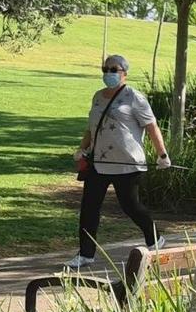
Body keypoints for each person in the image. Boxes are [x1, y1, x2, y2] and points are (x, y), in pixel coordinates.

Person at [68, 55, 170, 269]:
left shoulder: (135, 97)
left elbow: (152, 126)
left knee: (130, 206)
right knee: (89, 208)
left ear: (124, 72)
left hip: (127, 164)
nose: (108, 73)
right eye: (105, 69)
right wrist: (82, 148)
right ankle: (86, 254)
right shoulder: (97, 97)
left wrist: (162, 155)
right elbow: (91, 128)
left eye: (113, 69)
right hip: (99, 162)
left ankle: (155, 240)